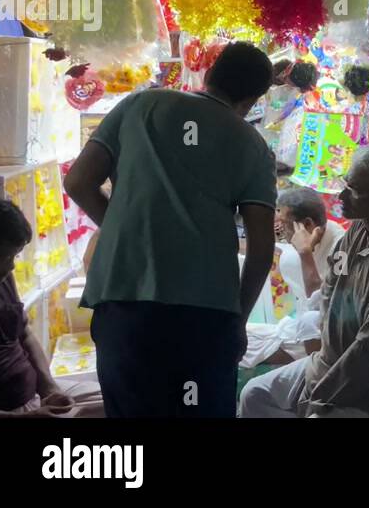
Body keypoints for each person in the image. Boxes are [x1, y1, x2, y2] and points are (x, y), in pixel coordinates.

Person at [64, 42, 278, 418]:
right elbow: (261, 247)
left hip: (124, 297)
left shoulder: (140, 106)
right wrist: (238, 320)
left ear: (209, 74)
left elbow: (79, 182)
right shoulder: (253, 146)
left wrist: (122, 228)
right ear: (253, 99)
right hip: (204, 314)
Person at [239, 145, 369, 418]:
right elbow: (330, 288)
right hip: (328, 363)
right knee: (255, 395)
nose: (342, 195)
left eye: (354, 189)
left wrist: (321, 396)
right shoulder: (358, 231)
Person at [0, 199, 104, 418]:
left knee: (126, 397)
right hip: (10, 413)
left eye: (14, 256)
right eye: (4, 257)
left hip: (35, 395)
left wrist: (49, 387)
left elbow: (24, 333)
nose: (12, 266)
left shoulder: (1, 277)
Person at [241, 188, 347, 367]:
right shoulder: (299, 238)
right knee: (233, 335)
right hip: (295, 326)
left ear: (306, 224)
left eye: (284, 222)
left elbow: (323, 306)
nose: (279, 227)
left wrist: (305, 253)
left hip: (325, 334)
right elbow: (262, 246)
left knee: (307, 322)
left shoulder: (340, 248)